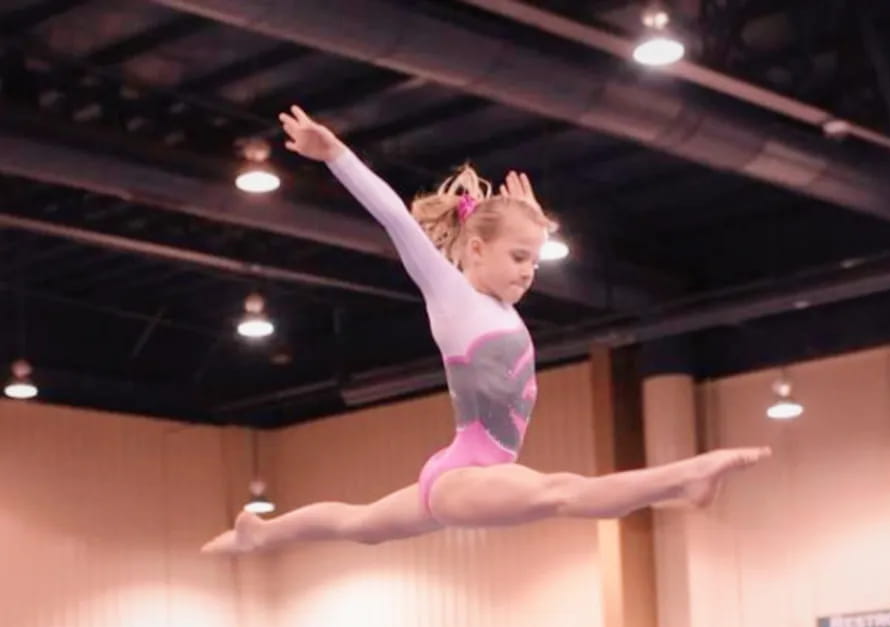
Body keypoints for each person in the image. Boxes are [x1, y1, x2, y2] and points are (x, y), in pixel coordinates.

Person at [202, 105, 771, 554]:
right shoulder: (452, 295)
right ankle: (689, 475)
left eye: (535, 262)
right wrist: (335, 155)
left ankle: (264, 535)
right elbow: (396, 219)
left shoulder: (499, 306)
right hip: (468, 474)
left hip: (466, 471)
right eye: (519, 258)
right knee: (563, 492)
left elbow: (511, 244)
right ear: (475, 248)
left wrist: (527, 223)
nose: (529, 272)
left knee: (362, 525)